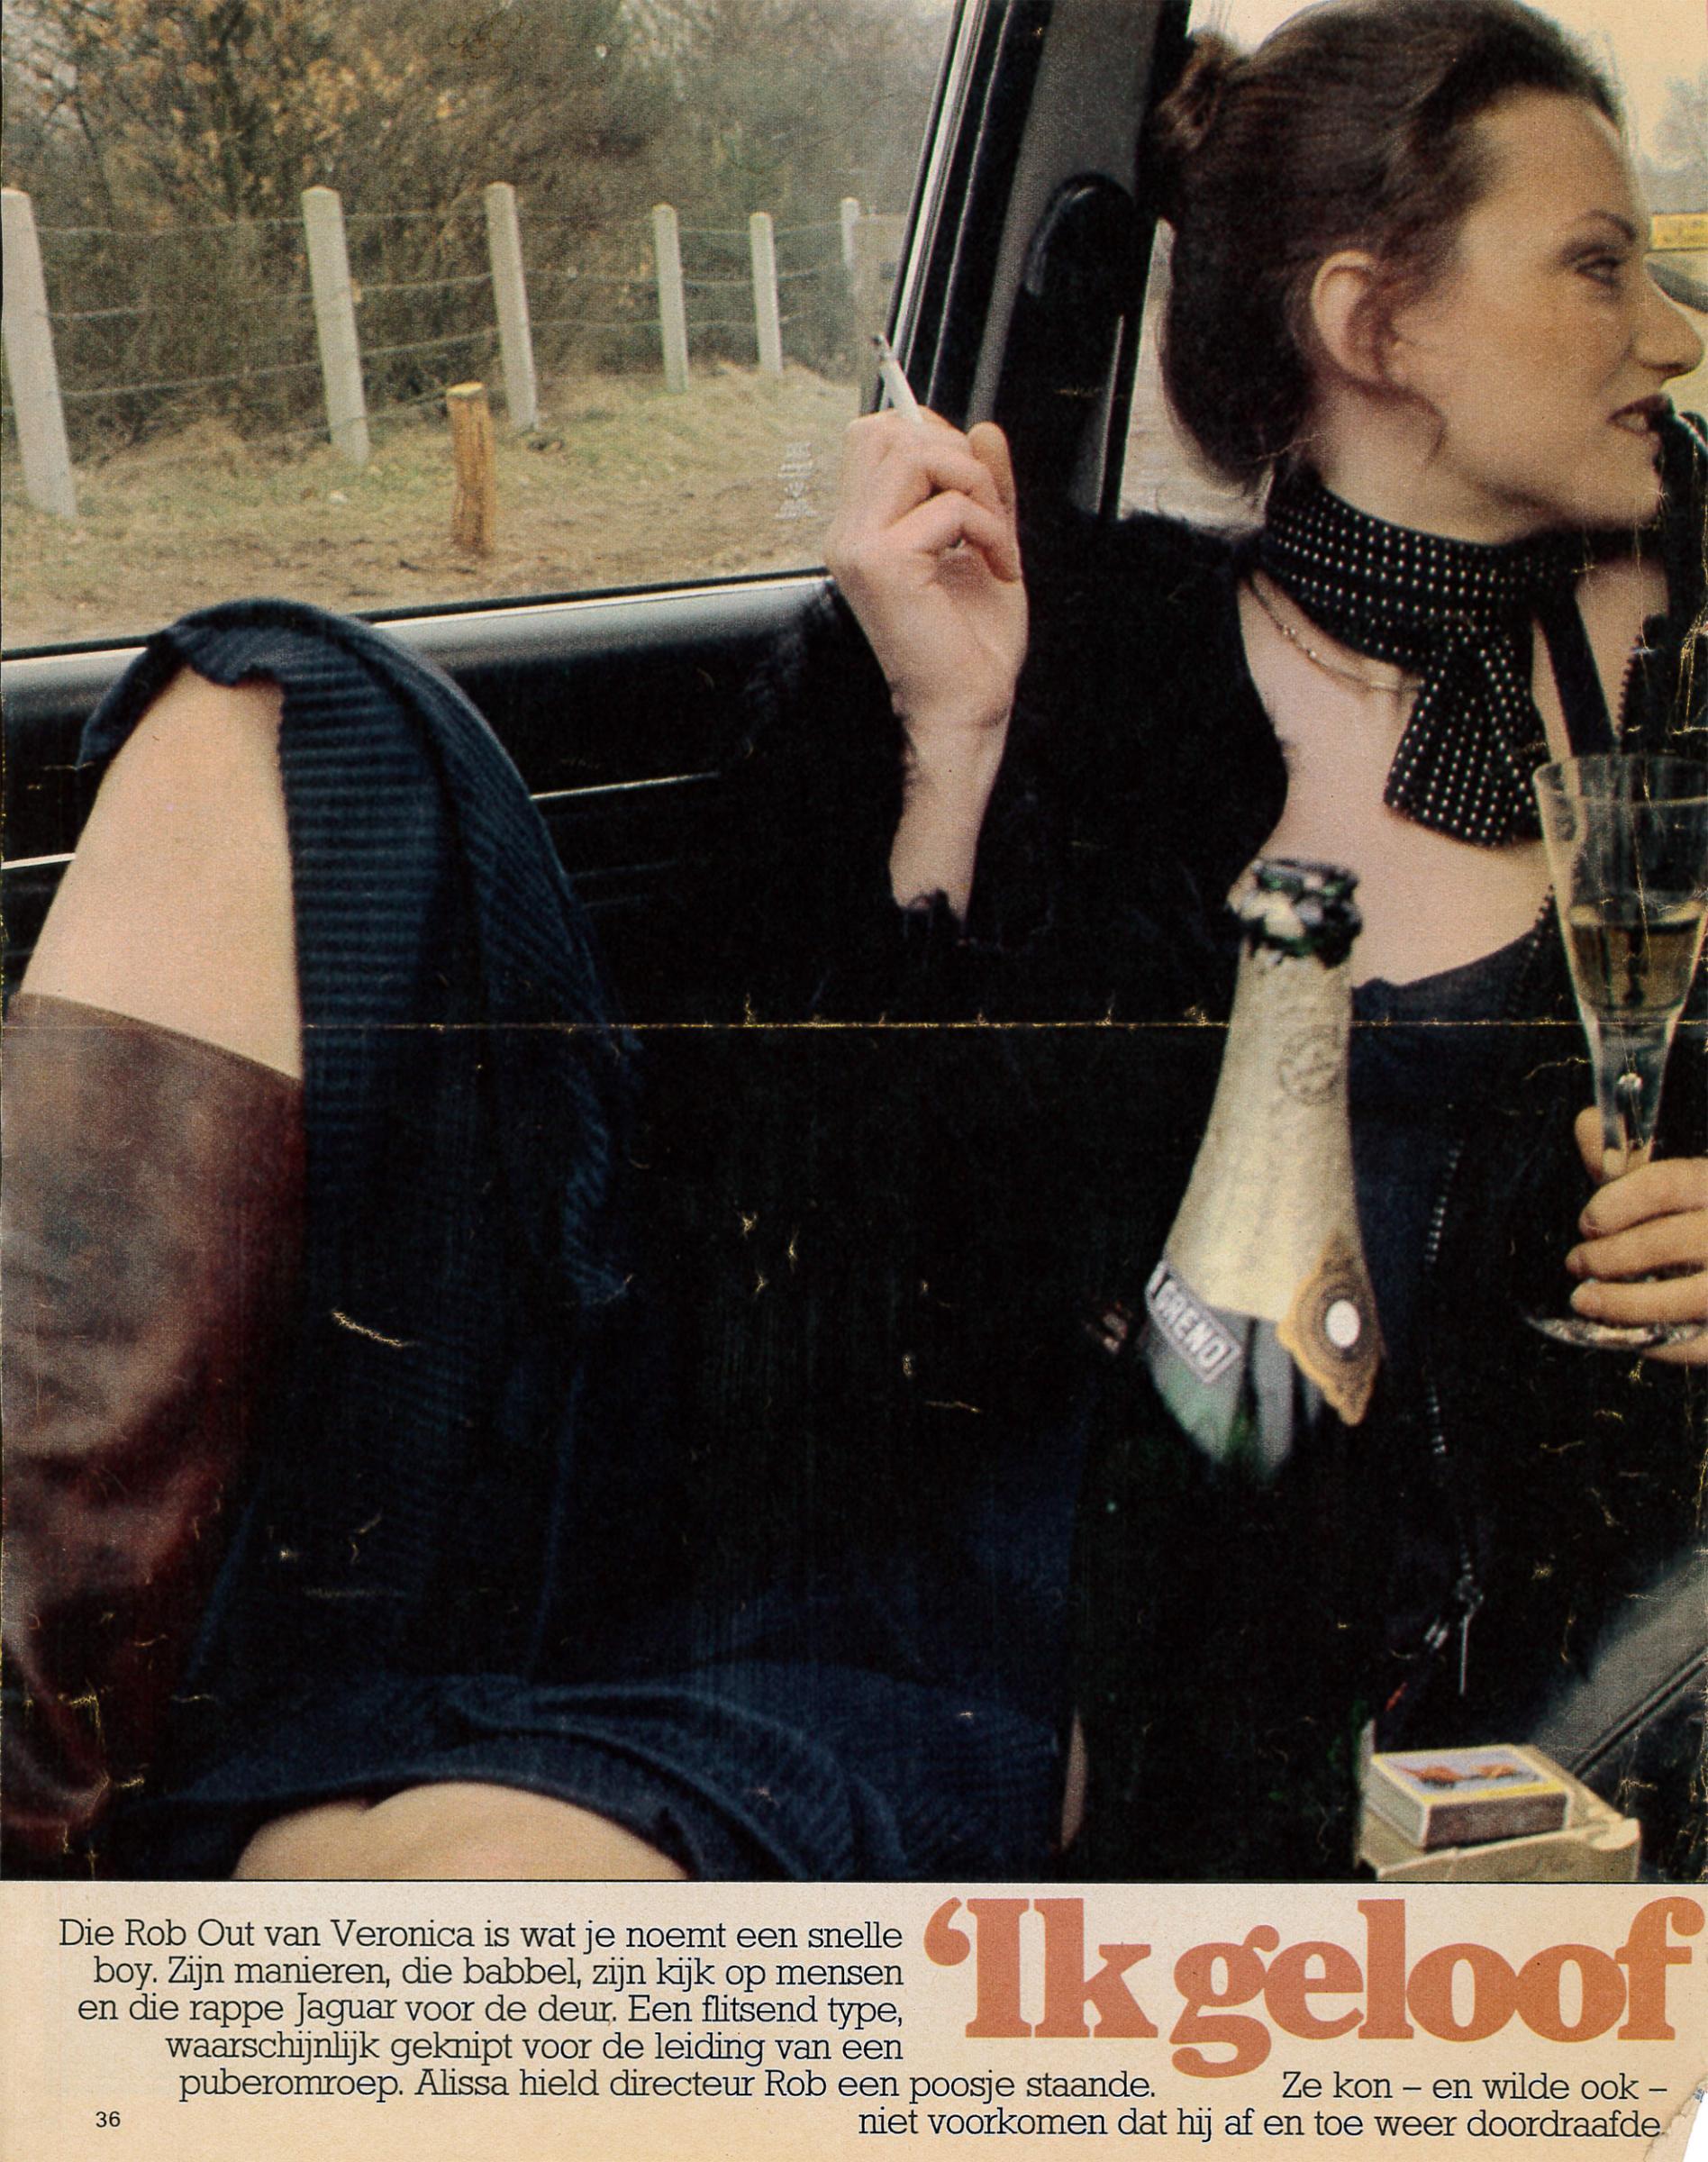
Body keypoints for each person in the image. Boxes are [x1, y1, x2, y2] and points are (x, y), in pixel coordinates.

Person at [816, 0, 1708, 1875]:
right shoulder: (1088, 663)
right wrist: (952, 756)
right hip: (1118, 1632)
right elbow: (885, 1294)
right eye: (1598, 267)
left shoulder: (1692, 645)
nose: (1677, 334)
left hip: (1569, 1654)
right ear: (1372, 325)